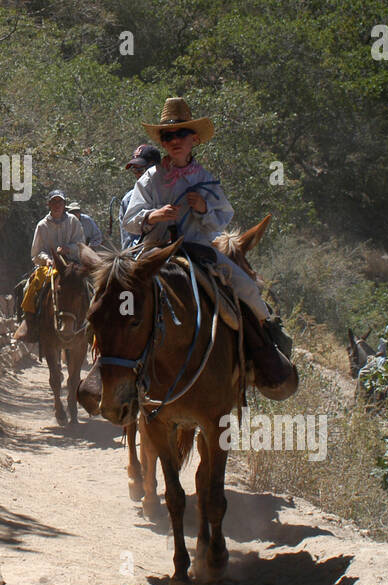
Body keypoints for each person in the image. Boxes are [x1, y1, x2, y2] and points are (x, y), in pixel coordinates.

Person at [121, 96, 295, 385]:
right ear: (162, 142)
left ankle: (265, 356)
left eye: (181, 134)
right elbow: (130, 219)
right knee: (117, 292)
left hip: (199, 251)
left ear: (195, 139)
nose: (174, 140)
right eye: (168, 135)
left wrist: (204, 209)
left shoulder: (206, 179)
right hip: (154, 251)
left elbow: (224, 217)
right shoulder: (149, 179)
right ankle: (108, 367)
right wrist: (154, 215)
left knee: (247, 289)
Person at [13, 190, 85, 344]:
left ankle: (94, 324)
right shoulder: (42, 225)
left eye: (60, 202)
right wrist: (46, 259)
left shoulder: (73, 222)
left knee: (90, 284)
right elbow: (36, 252)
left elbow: (81, 244)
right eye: (54, 202)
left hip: (72, 263)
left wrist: (68, 249)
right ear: (49, 204)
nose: (57, 205)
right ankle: (29, 321)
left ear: (64, 204)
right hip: (50, 264)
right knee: (31, 284)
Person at [119, 144, 161, 249]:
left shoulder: (171, 190)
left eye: (141, 170)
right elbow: (128, 241)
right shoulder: (128, 200)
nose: (137, 174)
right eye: (135, 170)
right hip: (143, 252)